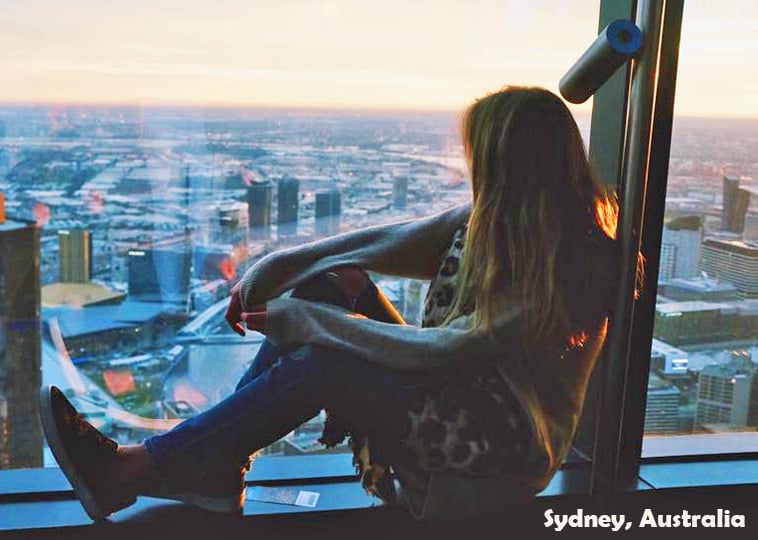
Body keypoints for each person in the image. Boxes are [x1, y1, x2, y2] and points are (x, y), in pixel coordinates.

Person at [39, 86, 634, 522]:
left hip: (500, 444)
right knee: (330, 287)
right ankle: (215, 465)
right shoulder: (495, 223)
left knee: (326, 361)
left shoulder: (570, 259)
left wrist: (311, 325)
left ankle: (132, 471)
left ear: (507, 161)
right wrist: (285, 267)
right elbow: (382, 244)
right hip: (459, 398)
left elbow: (454, 348)